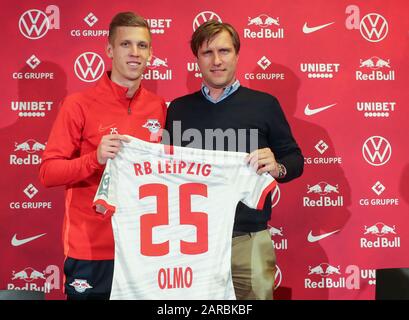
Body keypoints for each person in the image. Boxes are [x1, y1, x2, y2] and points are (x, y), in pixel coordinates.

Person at [165, 20, 304, 300]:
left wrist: (277, 166)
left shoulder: (264, 104)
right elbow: (165, 172)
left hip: (248, 239)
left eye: (224, 51)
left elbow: (295, 159)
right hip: (192, 242)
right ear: (197, 60)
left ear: (237, 55)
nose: (216, 61)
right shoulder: (179, 110)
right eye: (207, 53)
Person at [39, 12, 167, 300]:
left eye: (142, 46)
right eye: (126, 45)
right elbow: (48, 173)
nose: (135, 53)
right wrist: (93, 158)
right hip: (91, 249)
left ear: (150, 53)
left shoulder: (158, 106)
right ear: (110, 50)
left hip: (142, 249)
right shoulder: (78, 104)